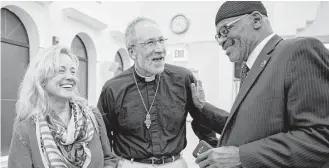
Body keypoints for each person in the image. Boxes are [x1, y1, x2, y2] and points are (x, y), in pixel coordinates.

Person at [191, 1, 329, 168]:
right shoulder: (250, 68)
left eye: (224, 31)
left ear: (256, 20)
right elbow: (249, 126)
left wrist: (240, 157)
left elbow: (320, 137)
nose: (221, 41)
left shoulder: (297, 51)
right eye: (218, 36)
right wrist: (202, 107)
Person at [97, 17, 218, 168]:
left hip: (175, 164)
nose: (160, 48)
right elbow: (103, 136)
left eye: (161, 40)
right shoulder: (112, 88)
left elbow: (201, 119)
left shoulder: (183, 78)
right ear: (132, 51)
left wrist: (212, 150)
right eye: (150, 42)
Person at [8, 46, 118, 168]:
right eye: (61, 71)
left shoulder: (93, 116)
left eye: (72, 71)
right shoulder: (26, 129)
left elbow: (109, 158)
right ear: (42, 79)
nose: (70, 77)